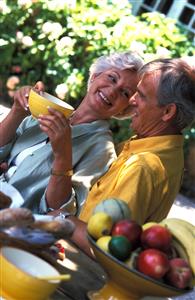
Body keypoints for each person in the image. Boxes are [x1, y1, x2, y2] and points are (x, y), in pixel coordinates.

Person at [53, 57, 195, 255]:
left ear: (168, 111)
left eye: (142, 95)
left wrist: (63, 218)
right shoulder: (162, 151)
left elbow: (109, 248)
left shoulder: (142, 167)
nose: (132, 100)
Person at [0, 51, 143, 214]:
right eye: (112, 78)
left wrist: (63, 155)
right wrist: (17, 112)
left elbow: (62, 211)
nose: (112, 92)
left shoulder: (102, 150)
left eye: (125, 93)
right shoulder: (50, 109)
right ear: (95, 76)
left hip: (14, 220)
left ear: (126, 108)